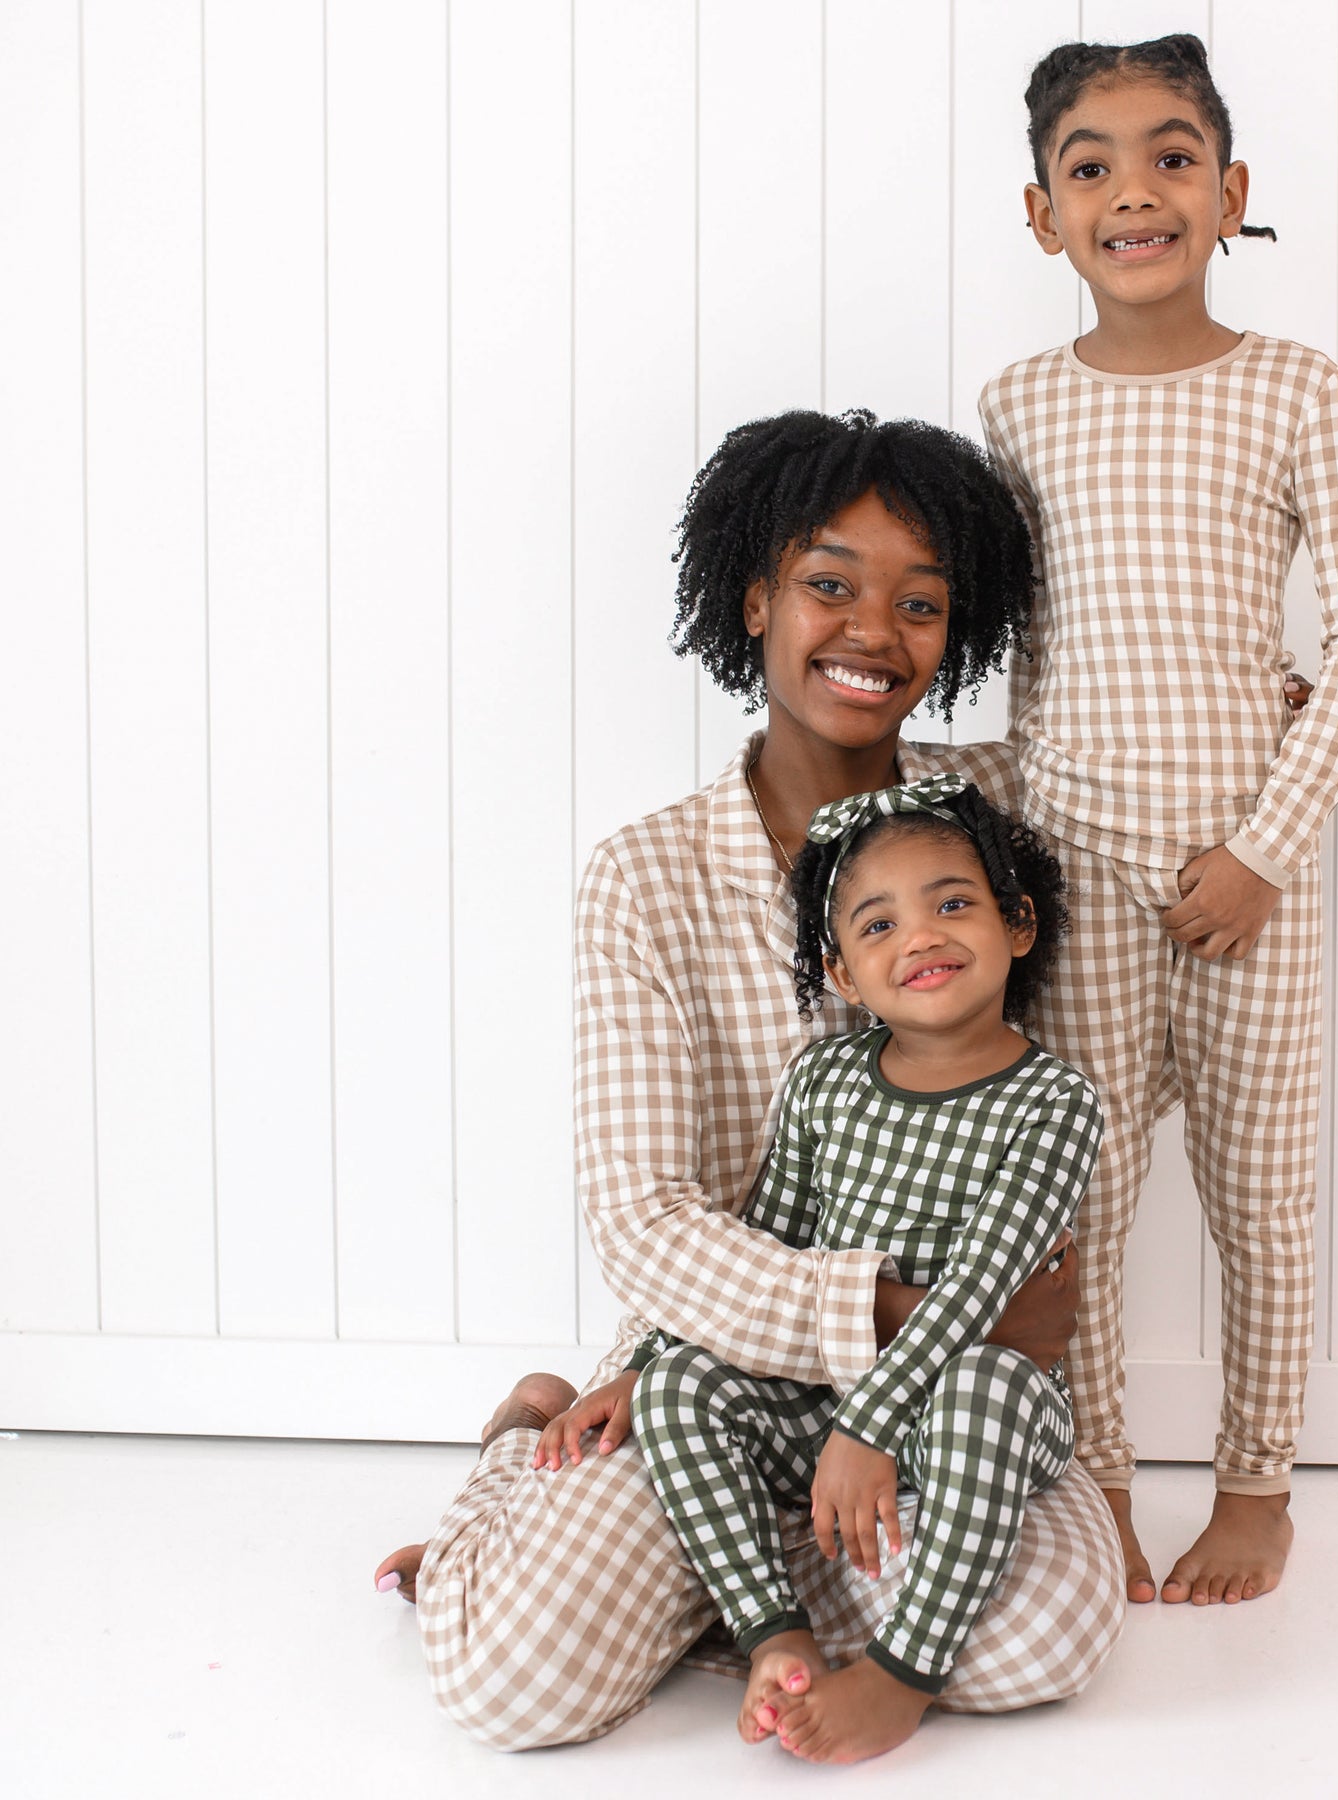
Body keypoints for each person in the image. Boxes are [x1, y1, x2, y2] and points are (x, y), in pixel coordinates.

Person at [372, 409, 1124, 1750]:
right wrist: (872, 1315)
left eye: (921, 603)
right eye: (831, 585)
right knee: (507, 1678)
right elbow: (645, 1219)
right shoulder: (644, 877)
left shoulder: (1002, 815)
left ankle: (725, 1599)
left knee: (1044, 1638)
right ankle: (535, 1471)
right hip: (723, 1367)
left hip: (962, 1391)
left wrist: (1270, 704)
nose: (873, 632)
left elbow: (1150, 763)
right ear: (758, 598)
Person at [977, 33, 1338, 1609]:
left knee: (1258, 1201)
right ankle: (1093, 1479)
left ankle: (1256, 1485)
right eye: (1090, 167)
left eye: (1171, 158)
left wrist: (1264, 851)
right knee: (1079, 1204)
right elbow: (1029, 659)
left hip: (1245, 878)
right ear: (1045, 216)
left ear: (1230, 192)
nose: (1134, 192)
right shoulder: (1018, 405)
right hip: (1076, 875)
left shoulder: (1295, 386)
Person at [599, 777, 1100, 1766]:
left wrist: (869, 1424)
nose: (921, 936)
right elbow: (770, 1243)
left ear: (1017, 924)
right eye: (879, 925)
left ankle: (903, 1671)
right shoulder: (825, 1082)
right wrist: (644, 1364)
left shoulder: (1055, 1103)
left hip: (969, 1410)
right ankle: (772, 1632)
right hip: (829, 1401)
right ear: (841, 973)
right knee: (680, 1386)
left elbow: (981, 1290)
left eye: (952, 903)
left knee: (988, 1385)